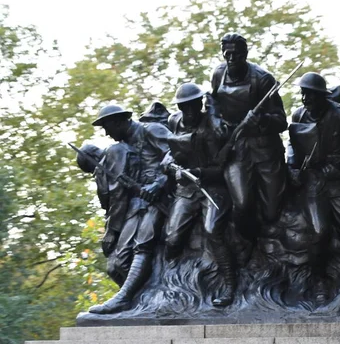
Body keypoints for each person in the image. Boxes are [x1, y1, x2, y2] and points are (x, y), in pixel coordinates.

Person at [288, 72, 340, 302]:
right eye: (303, 94)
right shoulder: (299, 115)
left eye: (310, 95)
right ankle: (319, 279)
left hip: (339, 182)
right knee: (319, 231)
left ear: (322, 96)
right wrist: (293, 168)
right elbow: (292, 146)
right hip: (313, 183)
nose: (305, 99)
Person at [87, 104, 172, 314]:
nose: (106, 133)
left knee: (142, 244)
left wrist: (159, 183)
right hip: (138, 202)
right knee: (117, 262)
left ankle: (125, 298)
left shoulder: (151, 129)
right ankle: (142, 301)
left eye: (107, 126)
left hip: (163, 197)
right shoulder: (122, 147)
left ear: (119, 121)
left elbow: (178, 153)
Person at [162, 82, 236, 306]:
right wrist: (172, 168)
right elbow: (168, 155)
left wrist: (198, 172)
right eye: (185, 107)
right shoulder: (174, 121)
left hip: (212, 187)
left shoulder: (211, 128)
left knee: (213, 230)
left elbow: (221, 168)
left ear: (200, 104)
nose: (190, 112)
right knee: (172, 237)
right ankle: (169, 286)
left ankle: (230, 285)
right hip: (186, 189)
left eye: (194, 106)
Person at [210, 32, 287, 238]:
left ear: (245, 53)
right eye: (227, 54)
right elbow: (212, 102)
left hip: (264, 150)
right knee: (242, 204)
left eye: (236, 54)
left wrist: (261, 120)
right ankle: (244, 243)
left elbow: (281, 121)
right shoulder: (218, 74)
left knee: (271, 212)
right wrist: (215, 120)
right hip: (235, 148)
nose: (231, 59)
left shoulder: (263, 79)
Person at [75, 142, 142, 287]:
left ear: (94, 157)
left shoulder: (114, 157)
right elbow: (109, 206)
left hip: (135, 211)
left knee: (123, 263)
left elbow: (118, 196)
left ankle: (143, 298)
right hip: (119, 218)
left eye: (91, 169)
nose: (94, 174)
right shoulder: (101, 171)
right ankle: (130, 301)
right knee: (112, 269)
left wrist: (112, 231)